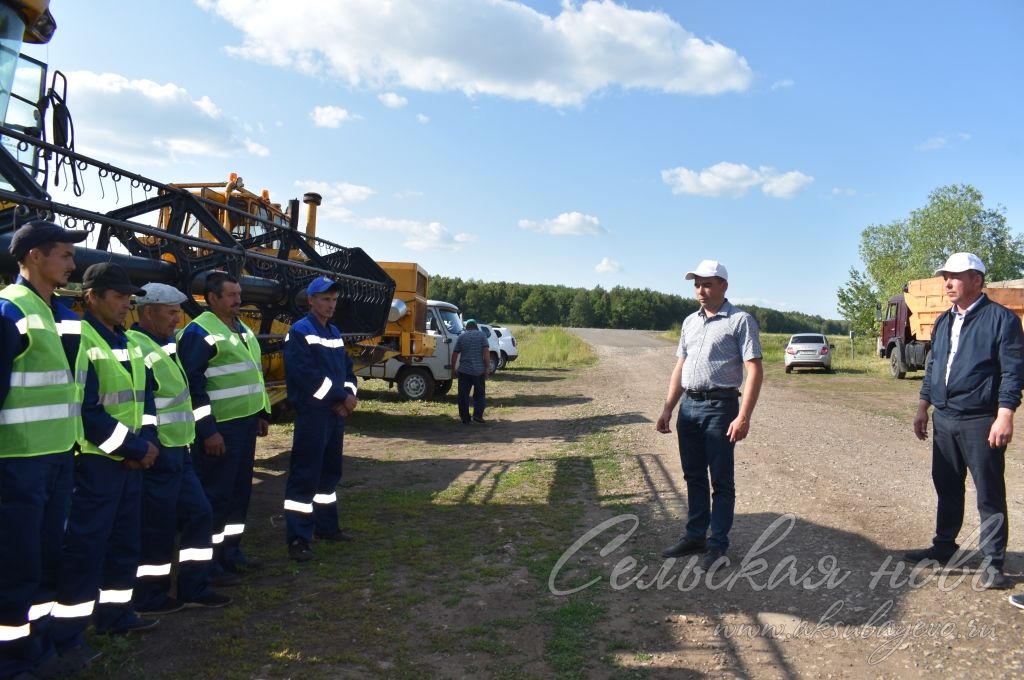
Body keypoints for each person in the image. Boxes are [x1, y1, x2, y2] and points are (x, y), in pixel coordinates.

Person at [50, 263, 160, 666]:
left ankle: (116, 614)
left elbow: (145, 399)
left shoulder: (128, 340)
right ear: (91, 296)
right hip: (96, 464)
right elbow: (87, 410)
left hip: (128, 461)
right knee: (85, 549)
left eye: (128, 297)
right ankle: (68, 636)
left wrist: (145, 442)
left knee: (124, 542)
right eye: (117, 296)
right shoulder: (82, 340)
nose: (125, 303)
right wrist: (133, 448)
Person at [907, 252, 1024, 591]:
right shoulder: (944, 321)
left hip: (980, 419)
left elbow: (1014, 371)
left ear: (977, 280)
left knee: (988, 492)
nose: (947, 282)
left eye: (955, 276)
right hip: (944, 417)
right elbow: (933, 369)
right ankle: (944, 545)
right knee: (946, 484)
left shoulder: (1001, 320)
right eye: (945, 276)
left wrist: (1005, 414)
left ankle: (992, 562)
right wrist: (922, 407)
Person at [0, 221, 87, 679]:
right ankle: (10, 658)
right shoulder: (9, 311)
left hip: (58, 457)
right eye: (66, 256)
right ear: (35, 256)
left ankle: (38, 644)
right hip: (18, 462)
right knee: (16, 562)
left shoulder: (66, 316)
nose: (73, 264)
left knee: (47, 557)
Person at [127, 283, 232, 614]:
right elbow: (142, 403)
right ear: (148, 312)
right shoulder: (138, 346)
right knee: (157, 528)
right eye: (171, 312)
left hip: (179, 449)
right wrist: (150, 444)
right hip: (160, 453)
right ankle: (150, 596)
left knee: (199, 513)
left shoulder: (165, 344)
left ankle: (194, 587)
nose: (177, 319)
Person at [655, 259, 763, 572]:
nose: (700, 290)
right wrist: (667, 407)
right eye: (696, 284)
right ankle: (695, 536)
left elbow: (754, 370)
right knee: (693, 476)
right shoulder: (690, 322)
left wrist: (743, 416)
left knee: (721, 480)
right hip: (689, 406)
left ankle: (717, 545)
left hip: (721, 407)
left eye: (707, 284)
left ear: (723, 286)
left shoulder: (740, 320)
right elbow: (680, 367)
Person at [178, 272, 270, 582]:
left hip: (244, 426)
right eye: (231, 295)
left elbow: (251, 374)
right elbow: (193, 385)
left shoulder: (241, 329)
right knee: (215, 497)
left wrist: (261, 412)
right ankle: (210, 565)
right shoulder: (199, 331)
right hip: (220, 430)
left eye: (239, 294)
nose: (238, 300)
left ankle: (231, 553)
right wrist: (208, 430)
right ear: (212, 298)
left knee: (237, 494)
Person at [282, 277, 359, 562]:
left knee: (329, 473)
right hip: (314, 414)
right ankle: (298, 538)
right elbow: (306, 377)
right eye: (325, 299)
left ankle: (326, 527)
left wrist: (349, 395)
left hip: (334, 414)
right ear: (311, 300)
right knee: (305, 474)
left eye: (334, 300)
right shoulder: (300, 332)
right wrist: (340, 398)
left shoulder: (335, 332)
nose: (330, 305)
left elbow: (348, 371)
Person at [451, 319, 491, 424]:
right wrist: (487, 368)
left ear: (466, 327)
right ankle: (477, 415)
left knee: (463, 395)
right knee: (479, 394)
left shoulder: (461, 337)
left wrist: (453, 369)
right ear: (476, 327)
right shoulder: (482, 335)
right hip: (479, 371)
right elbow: (486, 353)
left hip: (464, 371)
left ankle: (465, 418)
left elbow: (455, 354)